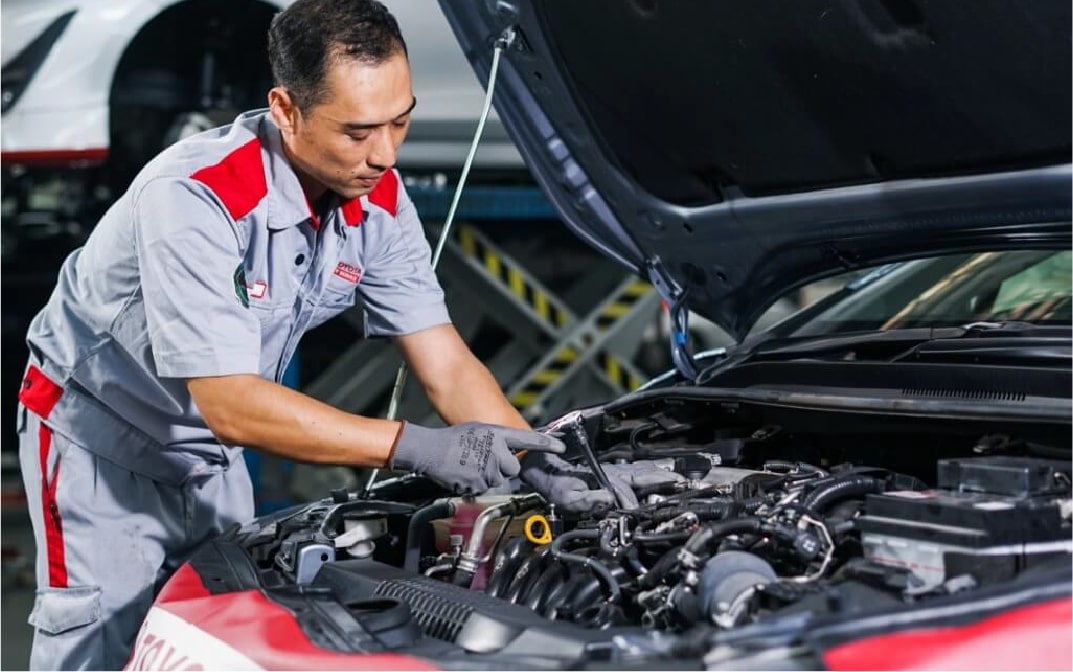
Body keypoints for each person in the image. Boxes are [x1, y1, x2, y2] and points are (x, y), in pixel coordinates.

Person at [13, 1, 573, 668]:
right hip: (101, 440)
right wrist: (416, 447)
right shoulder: (196, 197)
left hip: (206, 452)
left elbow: (445, 364)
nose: (386, 153)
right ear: (285, 110)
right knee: (100, 634)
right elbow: (230, 403)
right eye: (358, 131)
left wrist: (534, 466)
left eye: (400, 120)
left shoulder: (380, 202)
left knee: (205, 632)